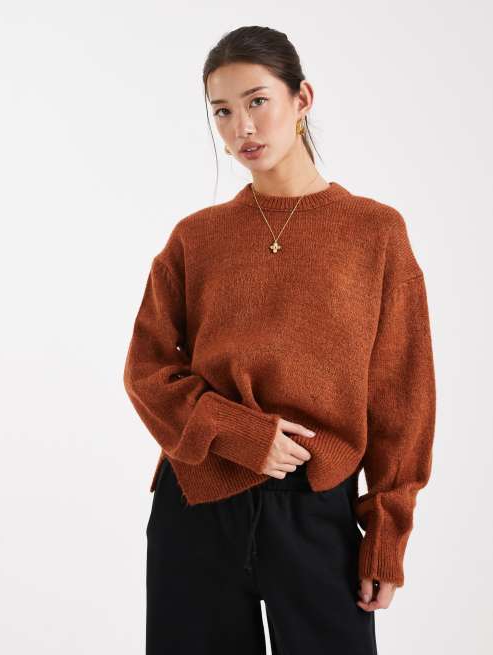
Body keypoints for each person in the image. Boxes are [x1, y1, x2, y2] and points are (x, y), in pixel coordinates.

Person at [123, 25, 436, 655]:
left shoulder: (375, 233)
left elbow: (402, 397)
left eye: (257, 101)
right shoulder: (196, 237)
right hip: (199, 501)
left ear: (302, 99)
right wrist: (240, 433)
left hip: (316, 508)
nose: (242, 127)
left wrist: (386, 534)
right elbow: (147, 371)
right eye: (222, 111)